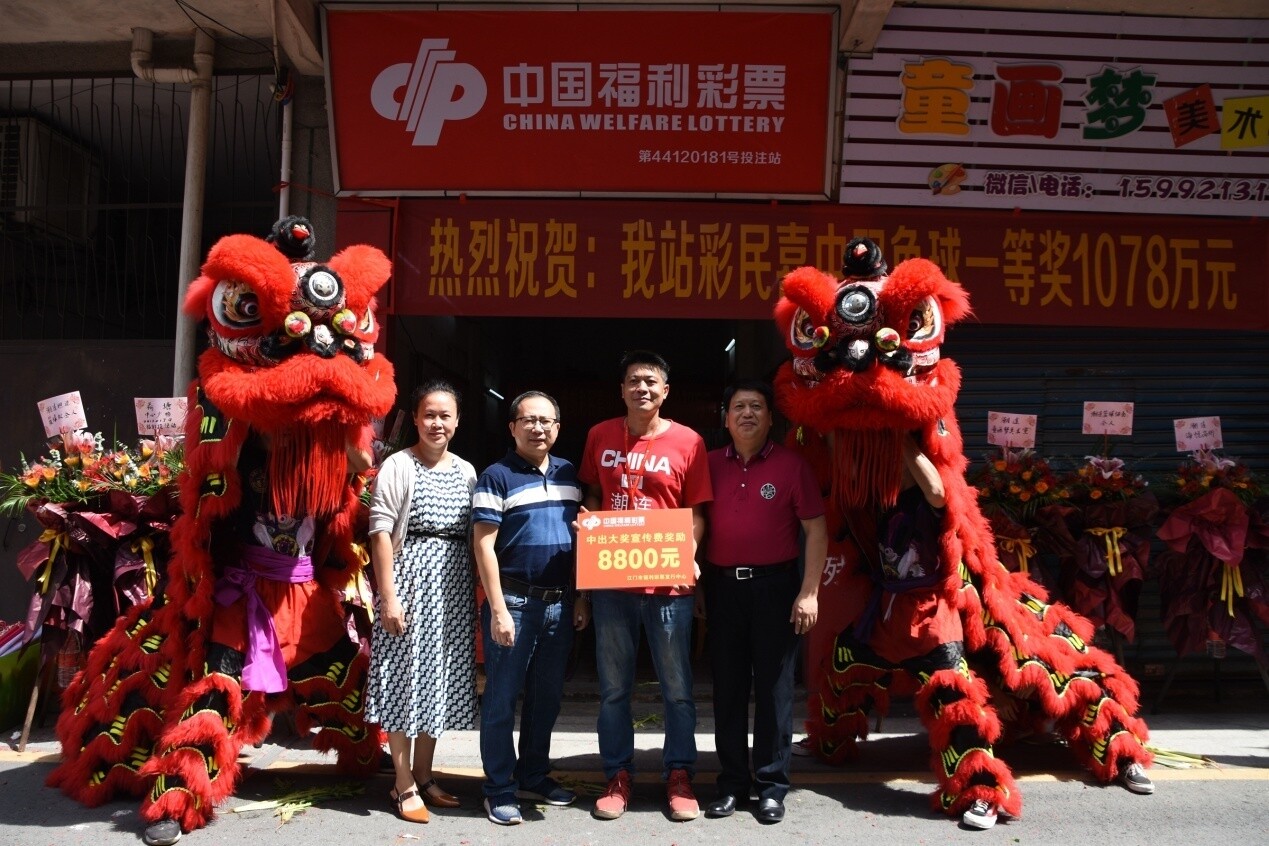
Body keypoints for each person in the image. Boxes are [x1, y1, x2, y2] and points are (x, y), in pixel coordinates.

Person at [578, 350, 713, 822]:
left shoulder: (689, 442)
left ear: (665, 391)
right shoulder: (600, 435)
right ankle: (617, 775)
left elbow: (696, 511)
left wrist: (689, 555)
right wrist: (590, 521)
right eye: (634, 381)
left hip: (668, 586)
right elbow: (593, 491)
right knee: (614, 689)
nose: (643, 389)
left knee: (677, 689)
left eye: (651, 382)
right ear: (622, 390)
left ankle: (679, 775)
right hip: (612, 581)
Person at [700, 380, 827, 824]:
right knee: (728, 689)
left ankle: (772, 786)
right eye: (739, 407)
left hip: (777, 589)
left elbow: (816, 530)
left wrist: (809, 592)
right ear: (726, 419)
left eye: (756, 406)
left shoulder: (793, 466)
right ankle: (733, 784)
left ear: (771, 418)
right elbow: (692, 524)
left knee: (774, 690)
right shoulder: (708, 464)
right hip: (723, 589)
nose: (747, 414)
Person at [471, 391, 587, 826]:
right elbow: (483, 545)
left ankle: (533, 775)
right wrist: (498, 609)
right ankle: (499, 788)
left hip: (560, 603)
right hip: (515, 603)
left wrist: (581, 596)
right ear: (512, 427)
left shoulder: (569, 473)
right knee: (501, 699)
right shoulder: (496, 476)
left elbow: (584, 539)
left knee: (546, 698)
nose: (538, 428)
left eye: (546, 421)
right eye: (529, 420)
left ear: (557, 427)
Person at [365, 380, 479, 824]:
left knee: (437, 681)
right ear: (415, 418)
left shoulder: (467, 471)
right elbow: (380, 532)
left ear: (458, 421)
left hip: (452, 591)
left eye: (445, 415)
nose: (437, 423)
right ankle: (402, 781)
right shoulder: (398, 465)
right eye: (429, 414)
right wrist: (388, 597)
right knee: (401, 679)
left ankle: (425, 775)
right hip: (409, 584)